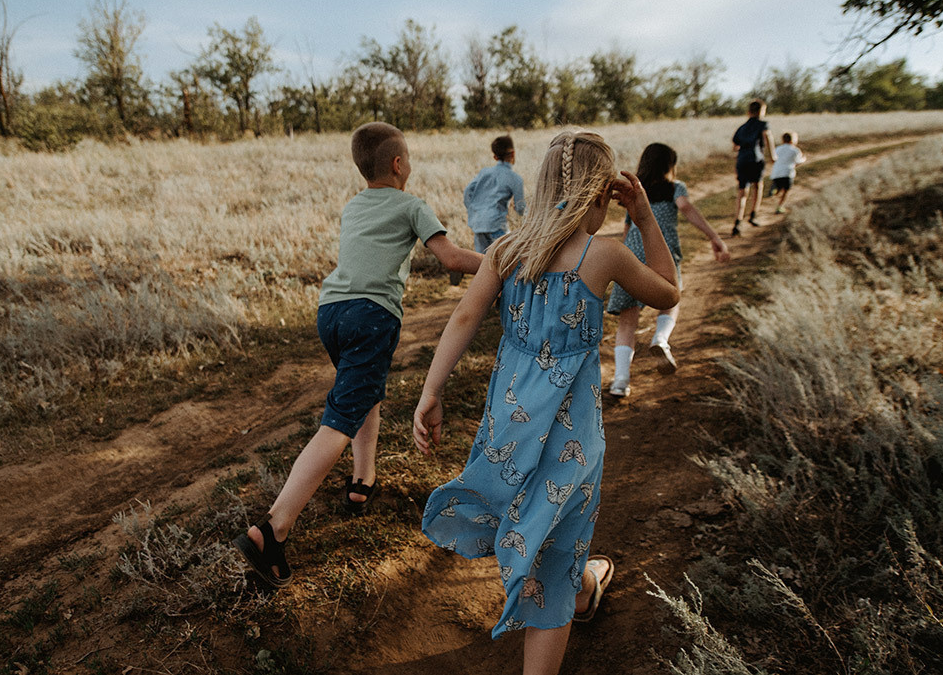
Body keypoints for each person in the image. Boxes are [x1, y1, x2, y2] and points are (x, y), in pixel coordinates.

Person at [412, 130, 680, 675]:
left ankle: (584, 585)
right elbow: (670, 292)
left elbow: (464, 318)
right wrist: (647, 221)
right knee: (554, 553)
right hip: (570, 439)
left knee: (539, 522)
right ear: (603, 197)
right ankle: (572, 590)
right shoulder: (603, 256)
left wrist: (431, 390)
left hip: (508, 428)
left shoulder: (507, 249)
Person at [234, 121, 482, 588]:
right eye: (408, 157)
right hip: (372, 316)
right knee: (339, 420)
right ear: (398, 163)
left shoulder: (354, 206)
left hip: (331, 312)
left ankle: (361, 481)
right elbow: (449, 258)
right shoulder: (412, 205)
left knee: (363, 393)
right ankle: (273, 528)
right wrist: (501, 264)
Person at [606, 143, 730, 395]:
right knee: (671, 300)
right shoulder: (675, 188)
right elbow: (685, 207)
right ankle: (660, 340)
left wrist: (622, 257)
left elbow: (628, 229)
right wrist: (714, 237)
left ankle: (620, 381)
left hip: (631, 255)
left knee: (628, 322)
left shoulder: (636, 191)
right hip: (660, 253)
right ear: (670, 166)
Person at [455, 134, 526, 285]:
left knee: (483, 262)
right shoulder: (515, 178)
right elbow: (520, 207)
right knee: (507, 259)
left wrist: (474, 209)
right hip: (496, 223)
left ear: (494, 157)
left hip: (477, 222)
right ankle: (501, 298)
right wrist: (521, 214)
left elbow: (468, 191)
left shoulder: (484, 172)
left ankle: (464, 268)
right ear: (513, 153)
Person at [731, 99, 774, 236]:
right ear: (762, 111)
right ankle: (753, 215)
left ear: (749, 112)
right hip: (756, 160)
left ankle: (737, 221)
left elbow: (735, 146)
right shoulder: (763, 124)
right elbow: (767, 137)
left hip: (742, 160)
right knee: (758, 186)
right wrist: (772, 155)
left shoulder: (742, 128)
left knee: (742, 191)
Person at [769, 131, 807, 214]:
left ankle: (775, 190)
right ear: (793, 140)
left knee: (779, 187)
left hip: (776, 173)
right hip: (787, 173)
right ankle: (779, 206)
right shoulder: (795, 150)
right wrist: (804, 159)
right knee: (786, 191)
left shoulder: (777, 149)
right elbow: (797, 162)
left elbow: (773, 159)